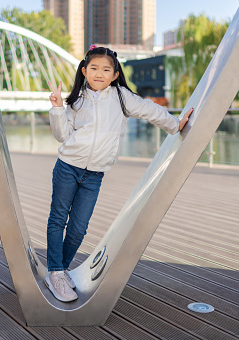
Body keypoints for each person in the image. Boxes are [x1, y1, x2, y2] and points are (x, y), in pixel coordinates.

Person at [45, 46, 193, 302]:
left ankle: (62, 267)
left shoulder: (122, 97)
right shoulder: (77, 100)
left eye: (106, 69)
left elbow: (149, 109)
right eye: (94, 68)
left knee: (79, 228)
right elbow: (63, 135)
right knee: (58, 219)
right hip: (67, 167)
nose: (99, 73)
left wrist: (175, 124)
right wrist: (58, 107)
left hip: (94, 175)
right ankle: (56, 272)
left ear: (115, 74)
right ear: (84, 71)